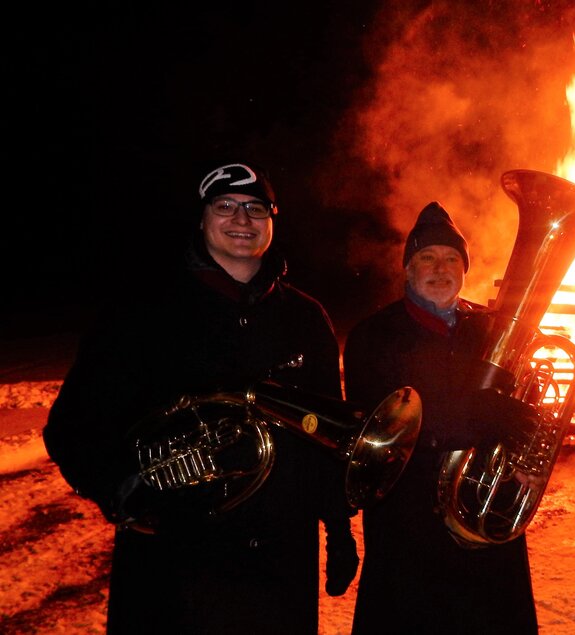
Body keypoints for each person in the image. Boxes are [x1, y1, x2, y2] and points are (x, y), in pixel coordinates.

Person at [43, 161, 359, 634]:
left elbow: (326, 437)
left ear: (272, 222)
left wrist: (337, 527)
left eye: (256, 209)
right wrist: (120, 491)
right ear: (202, 218)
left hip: (277, 561)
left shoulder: (305, 318)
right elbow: (72, 424)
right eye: (225, 206)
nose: (241, 220)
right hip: (176, 563)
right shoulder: (143, 310)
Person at [343, 201, 540, 634]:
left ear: (465, 268)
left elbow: (525, 405)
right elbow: (380, 430)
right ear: (408, 269)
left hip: (487, 528)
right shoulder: (372, 336)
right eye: (427, 257)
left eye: (452, 258)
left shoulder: (494, 329)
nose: (440, 267)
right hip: (410, 532)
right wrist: (475, 417)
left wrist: (528, 453)